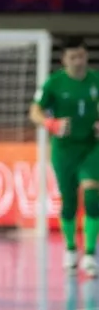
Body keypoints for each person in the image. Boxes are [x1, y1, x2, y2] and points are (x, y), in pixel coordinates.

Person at [30, 37, 99, 278]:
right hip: (64, 150)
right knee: (69, 203)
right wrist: (52, 123)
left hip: (91, 147)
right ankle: (70, 248)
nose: (78, 61)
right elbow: (35, 112)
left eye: (81, 56)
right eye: (73, 57)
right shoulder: (54, 83)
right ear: (64, 60)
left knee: (92, 195)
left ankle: (90, 253)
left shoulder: (95, 80)